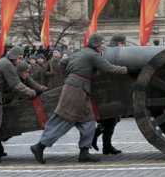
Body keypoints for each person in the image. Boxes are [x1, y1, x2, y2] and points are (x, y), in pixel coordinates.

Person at [30, 34, 127, 164]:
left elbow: (62, 63)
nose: (103, 46)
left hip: (80, 89)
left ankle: (84, 153)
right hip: (75, 90)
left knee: (88, 122)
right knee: (64, 119)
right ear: (95, 44)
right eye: (102, 43)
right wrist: (126, 69)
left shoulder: (80, 53)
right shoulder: (93, 55)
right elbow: (109, 68)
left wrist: (72, 73)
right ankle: (39, 146)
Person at [92, 33, 127, 154]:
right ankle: (102, 143)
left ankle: (106, 145)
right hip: (107, 91)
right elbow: (109, 69)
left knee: (112, 119)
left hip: (110, 89)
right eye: (123, 43)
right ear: (120, 43)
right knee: (110, 119)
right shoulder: (111, 52)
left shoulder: (109, 51)